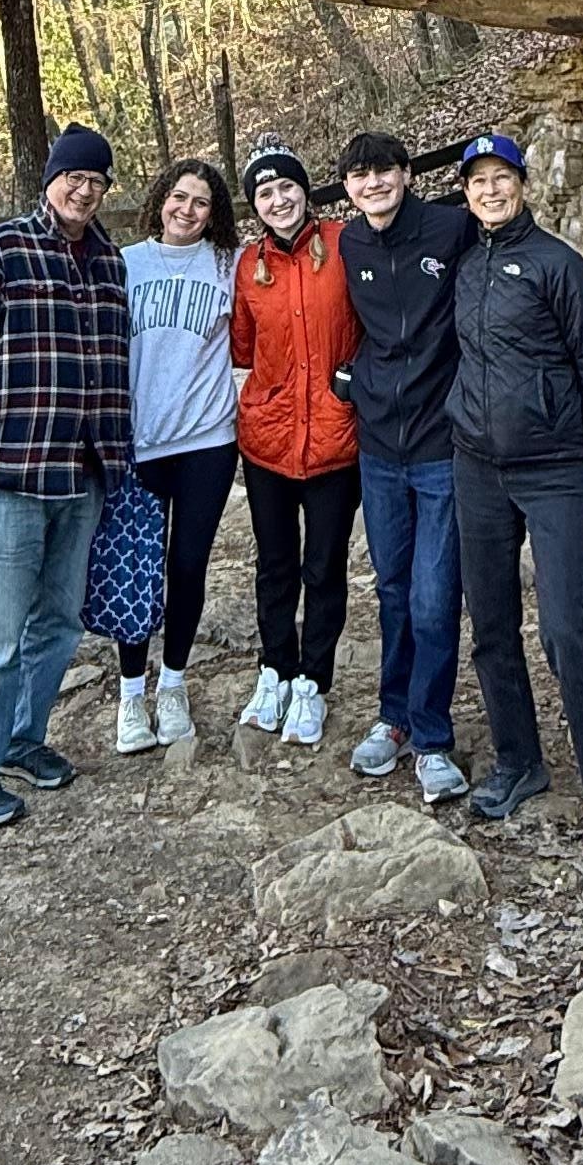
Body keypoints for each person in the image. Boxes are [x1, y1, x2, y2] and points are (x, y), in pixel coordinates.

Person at [448, 129, 583, 866]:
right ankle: (519, 761)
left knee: (565, 630)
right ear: (464, 193)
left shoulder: (560, 266)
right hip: (477, 470)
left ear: (522, 184)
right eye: (478, 181)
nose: (490, 190)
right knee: (492, 626)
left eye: (502, 178)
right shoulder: (466, 270)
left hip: (555, 469)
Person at [0, 122, 131, 832]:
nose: (84, 190)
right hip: (12, 480)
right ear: (51, 180)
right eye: (74, 177)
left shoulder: (109, 262)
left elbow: (114, 367)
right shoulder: (5, 248)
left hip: (83, 478)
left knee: (57, 625)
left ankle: (22, 738)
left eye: (97, 181)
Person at [336, 129, 477, 803]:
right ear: (349, 186)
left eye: (384, 171)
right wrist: (347, 380)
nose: (373, 184)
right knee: (392, 590)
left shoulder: (450, 229)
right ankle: (392, 719)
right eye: (360, 176)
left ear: (406, 174)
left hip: (441, 444)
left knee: (432, 597)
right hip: (378, 449)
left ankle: (432, 737)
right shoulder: (349, 242)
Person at [229, 137, 359, 747]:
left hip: (336, 438)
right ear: (254, 203)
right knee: (275, 563)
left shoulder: (342, 246)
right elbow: (243, 349)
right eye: (264, 192)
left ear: (306, 191)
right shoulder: (249, 267)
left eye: (286, 187)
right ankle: (274, 669)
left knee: (324, 565)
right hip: (269, 442)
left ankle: (313, 681)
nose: (277, 200)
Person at [117, 157, 240, 753]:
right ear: (160, 198)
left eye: (201, 203)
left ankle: (172, 683)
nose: (186, 210)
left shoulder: (227, 265)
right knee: (138, 570)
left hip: (207, 443)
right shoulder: (126, 265)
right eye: (178, 197)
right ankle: (129, 694)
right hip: (140, 443)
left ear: (213, 215)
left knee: (188, 565)